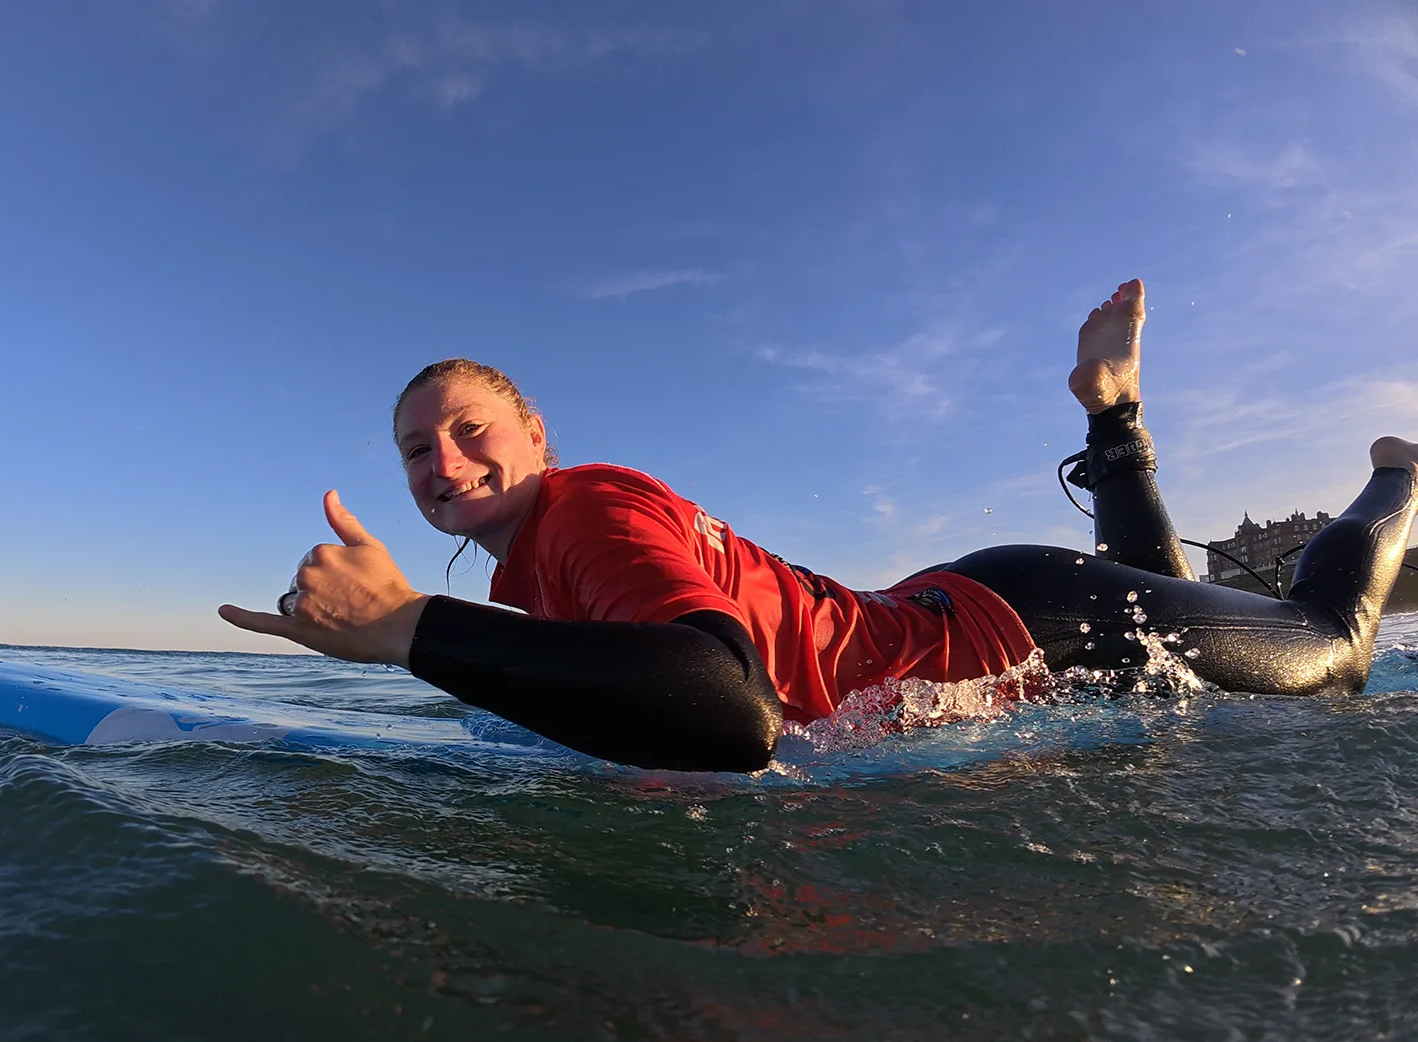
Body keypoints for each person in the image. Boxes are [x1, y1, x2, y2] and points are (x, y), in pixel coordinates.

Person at [219, 280, 1418, 773]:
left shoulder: (586, 506)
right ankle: (1114, 416)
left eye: (470, 428)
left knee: (1327, 649)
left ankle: (1395, 485)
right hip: (965, 606)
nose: (445, 462)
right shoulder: (547, 563)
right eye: (417, 452)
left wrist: (408, 628)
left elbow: (728, 706)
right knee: (1170, 619)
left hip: (1026, 623)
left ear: (537, 436)